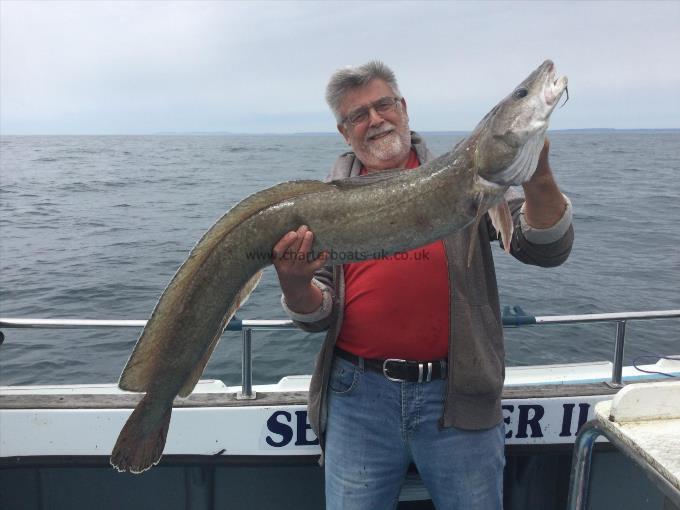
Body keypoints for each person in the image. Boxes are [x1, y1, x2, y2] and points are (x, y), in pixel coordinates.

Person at [272, 61, 573, 510]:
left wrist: (539, 176)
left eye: (383, 105)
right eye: (358, 115)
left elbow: (544, 248)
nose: (375, 120)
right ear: (344, 131)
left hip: (459, 396)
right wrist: (295, 286)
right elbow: (318, 314)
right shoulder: (324, 204)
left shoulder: (469, 177)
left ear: (403, 108)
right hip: (358, 401)